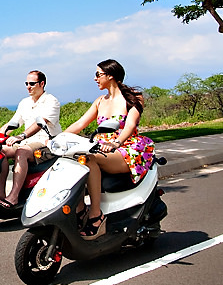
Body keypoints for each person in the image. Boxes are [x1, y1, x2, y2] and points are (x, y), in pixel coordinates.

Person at [64, 59, 155, 240]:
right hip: (101, 147)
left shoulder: (133, 97)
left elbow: (130, 125)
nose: (95, 78)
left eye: (98, 74)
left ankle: (96, 216)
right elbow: (80, 123)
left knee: (89, 158)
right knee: (73, 159)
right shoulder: (100, 101)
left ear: (110, 75)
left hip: (127, 147)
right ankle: (80, 210)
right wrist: (57, 138)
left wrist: (117, 142)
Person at [0, 70, 61, 208]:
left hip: (46, 142)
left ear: (41, 83)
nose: (28, 87)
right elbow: (13, 123)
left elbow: (40, 123)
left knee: (22, 152)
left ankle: (13, 197)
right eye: (26, 83)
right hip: (27, 142)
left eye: (32, 83)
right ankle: (0, 195)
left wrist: (21, 136)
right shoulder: (24, 102)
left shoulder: (51, 101)